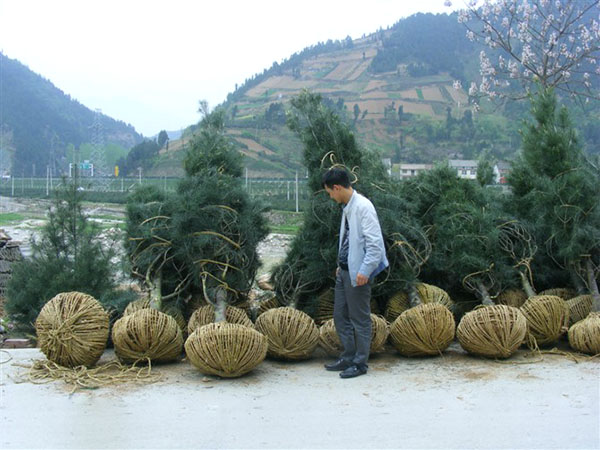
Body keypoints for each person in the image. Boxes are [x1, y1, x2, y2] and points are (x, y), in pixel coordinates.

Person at [322, 167, 388, 378]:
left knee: (359, 318)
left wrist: (365, 270)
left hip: (358, 274)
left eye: (330, 192)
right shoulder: (348, 206)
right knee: (340, 315)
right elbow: (349, 240)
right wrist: (341, 265)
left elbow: (375, 245)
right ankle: (348, 356)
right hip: (344, 272)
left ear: (337, 187)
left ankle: (360, 363)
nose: (330, 197)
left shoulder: (363, 207)